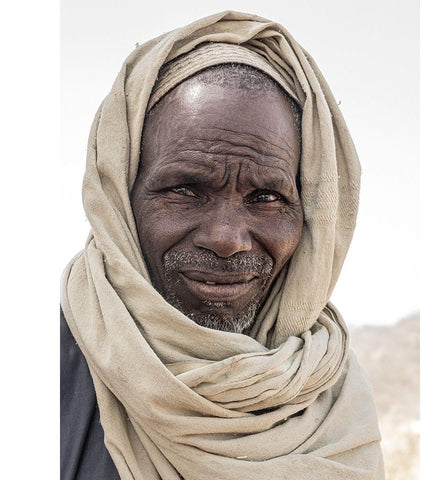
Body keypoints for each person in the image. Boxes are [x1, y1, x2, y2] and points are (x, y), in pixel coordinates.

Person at [61, 11, 384, 480]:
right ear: (120, 201)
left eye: (267, 197)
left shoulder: (331, 399)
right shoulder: (45, 369)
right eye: (185, 190)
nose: (226, 238)